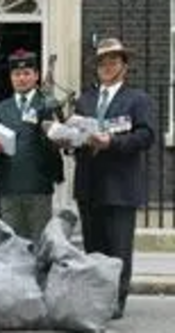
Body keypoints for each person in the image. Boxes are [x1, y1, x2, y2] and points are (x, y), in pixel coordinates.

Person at [73, 38, 154, 319]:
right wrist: (67, 139)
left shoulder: (137, 99)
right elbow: (78, 138)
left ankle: (116, 301)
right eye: (102, 62)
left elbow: (146, 136)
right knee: (93, 248)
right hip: (88, 184)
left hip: (120, 186)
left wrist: (112, 142)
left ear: (125, 66)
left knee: (118, 249)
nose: (107, 67)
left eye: (113, 61)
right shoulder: (85, 100)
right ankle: (96, 297)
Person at [0, 49, 63, 243]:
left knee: (39, 245)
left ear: (36, 75)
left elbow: (60, 141)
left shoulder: (48, 104)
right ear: (11, 77)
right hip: (9, 186)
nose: (21, 78)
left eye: (27, 73)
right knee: (13, 246)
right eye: (17, 74)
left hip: (39, 186)